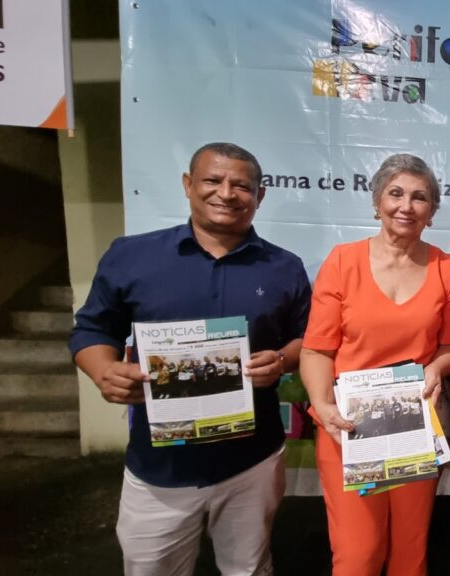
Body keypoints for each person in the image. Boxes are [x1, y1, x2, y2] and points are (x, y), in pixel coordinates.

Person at [69, 142, 312, 575]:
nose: (227, 193)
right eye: (213, 180)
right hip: (159, 464)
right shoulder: (131, 256)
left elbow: (307, 340)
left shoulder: (284, 267)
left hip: (252, 460)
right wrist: (103, 369)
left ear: (260, 195)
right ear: (188, 184)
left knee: (249, 568)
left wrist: (280, 359)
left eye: (242, 186)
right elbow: (92, 330)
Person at [299, 153, 450, 576]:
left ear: (432, 211)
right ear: (376, 203)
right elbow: (316, 351)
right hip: (348, 428)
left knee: (410, 553)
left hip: (415, 426)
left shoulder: (446, 267)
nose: (407, 206)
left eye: (419, 197)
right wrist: (322, 405)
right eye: (396, 193)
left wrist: (436, 368)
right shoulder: (342, 261)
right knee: (358, 556)